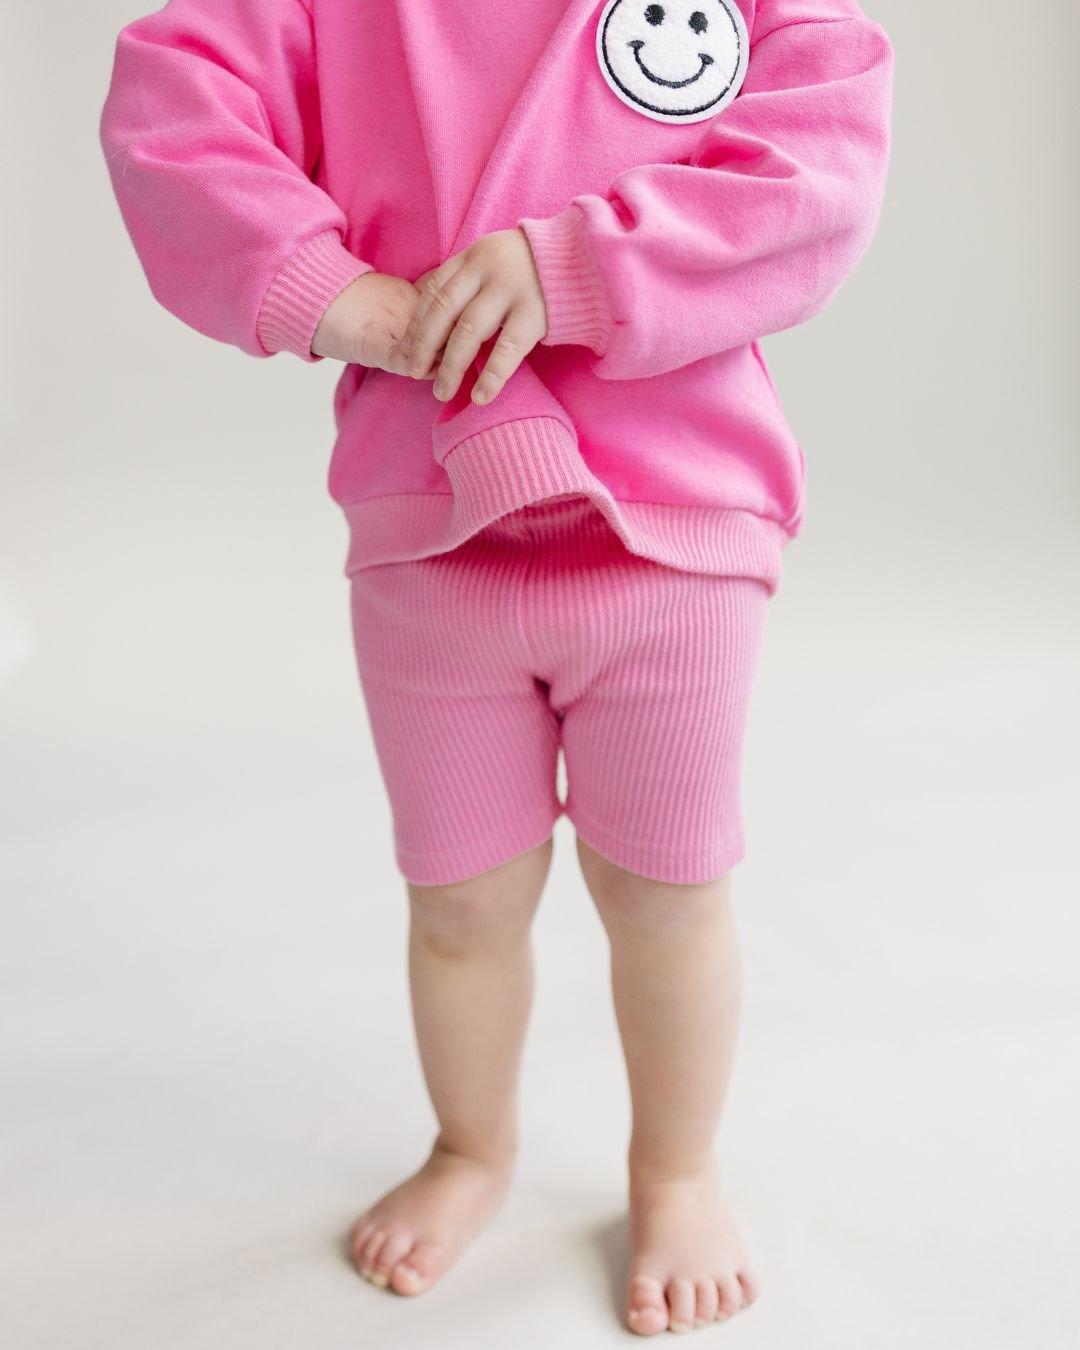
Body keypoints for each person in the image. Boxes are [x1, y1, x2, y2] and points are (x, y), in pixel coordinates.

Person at [99, 0, 894, 1334]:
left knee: (668, 892)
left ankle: (675, 1166)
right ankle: (473, 1144)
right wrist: (318, 285)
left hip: (672, 533)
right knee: (461, 903)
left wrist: (584, 263)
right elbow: (174, 96)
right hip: (429, 533)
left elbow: (822, 155)